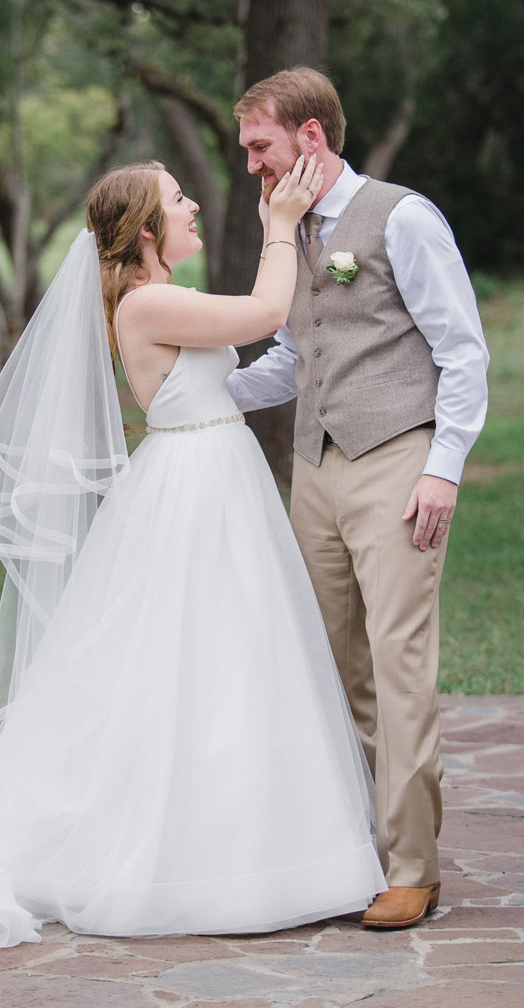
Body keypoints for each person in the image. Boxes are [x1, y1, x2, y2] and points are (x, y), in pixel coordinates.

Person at [0, 156, 385, 949]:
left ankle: (254, 837)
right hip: (193, 484)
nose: (195, 205)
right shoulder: (146, 304)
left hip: (215, 475)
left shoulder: (158, 296)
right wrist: (280, 226)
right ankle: (183, 856)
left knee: (232, 657)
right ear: (145, 229)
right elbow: (268, 310)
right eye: (179, 200)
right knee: (191, 661)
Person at [227, 67, 489, 930]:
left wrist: (442, 467)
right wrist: (194, 396)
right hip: (316, 468)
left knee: (397, 660)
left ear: (310, 137)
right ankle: (360, 850)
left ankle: (413, 866)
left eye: (260, 149)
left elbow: (463, 351)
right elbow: (291, 361)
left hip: (396, 461)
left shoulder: (400, 217)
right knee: (335, 667)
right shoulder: (285, 232)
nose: (252, 170)